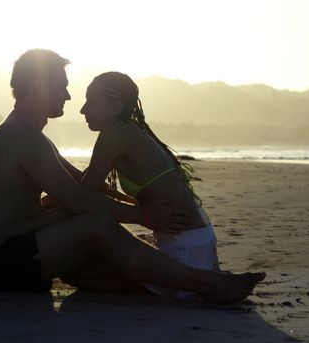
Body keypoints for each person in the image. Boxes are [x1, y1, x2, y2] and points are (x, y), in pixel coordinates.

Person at [0, 48, 265, 302]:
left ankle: (179, 280)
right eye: (61, 86)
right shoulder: (24, 138)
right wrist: (143, 215)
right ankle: (209, 284)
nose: (68, 96)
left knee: (84, 263)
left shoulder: (31, 136)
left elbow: (82, 187)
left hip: (11, 249)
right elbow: (81, 201)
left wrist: (133, 208)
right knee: (97, 223)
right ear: (39, 85)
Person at [79, 72, 224, 299]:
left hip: (183, 249)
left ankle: (203, 284)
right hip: (196, 240)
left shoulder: (115, 135)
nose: (83, 110)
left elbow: (83, 196)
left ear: (115, 107)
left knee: (85, 278)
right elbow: (89, 183)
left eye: (91, 102)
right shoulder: (131, 130)